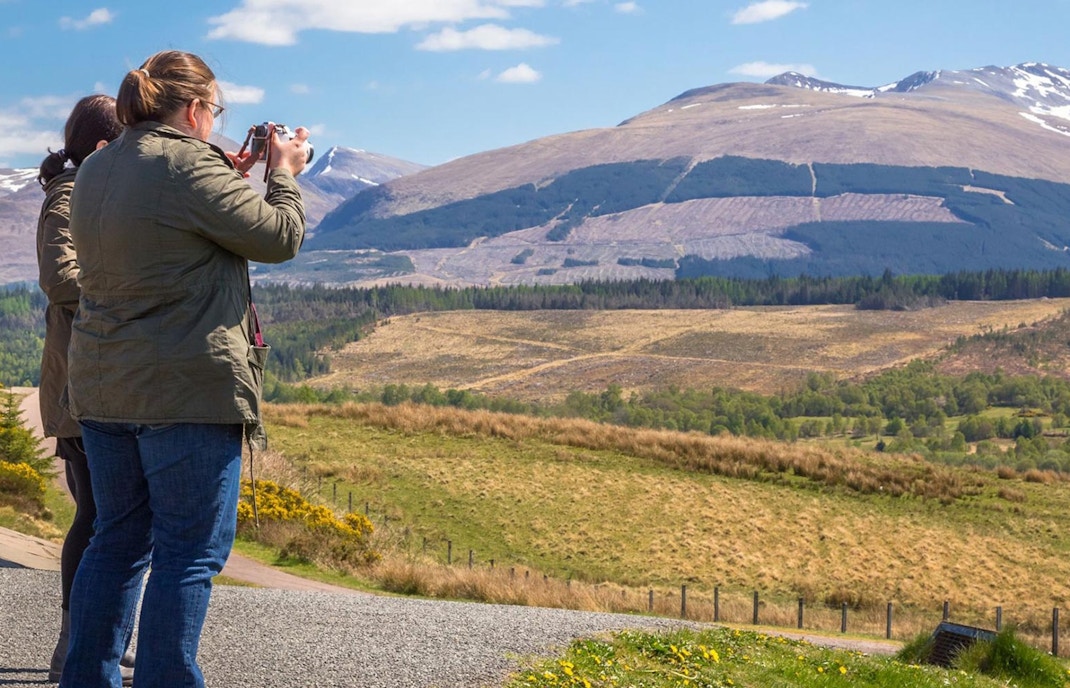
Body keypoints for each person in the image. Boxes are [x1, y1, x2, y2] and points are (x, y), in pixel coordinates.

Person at [59, 50, 310, 688]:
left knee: (115, 542)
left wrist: (228, 172)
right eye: (215, 111)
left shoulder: (95, 169)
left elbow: (157, 221)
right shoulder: (188, 164)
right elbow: (278, 237)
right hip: (185, 393)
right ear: (196, 109)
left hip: (104, 388)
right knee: (187, 556)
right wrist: (282, 172)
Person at [35, 94, 136, 686]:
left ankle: (102, 638)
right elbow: (59, 278)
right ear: (104, 144)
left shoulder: (90, 188)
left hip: (102, 376)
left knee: (110, 516)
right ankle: (75, 645)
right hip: (79, 384)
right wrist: (134, 284)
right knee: (97, 515)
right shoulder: (68, 194)